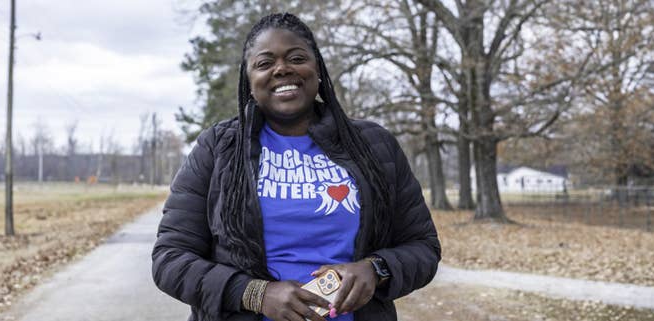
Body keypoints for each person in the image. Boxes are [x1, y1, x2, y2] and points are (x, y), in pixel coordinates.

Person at [152, 12, 440, 321]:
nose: (282, 69)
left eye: (296, 58)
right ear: (249, 81)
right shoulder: (218, 148)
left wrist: (376, 269)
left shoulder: (374, 145)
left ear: (317, 70)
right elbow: (170, 260)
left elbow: (422, 247)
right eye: (264, 64)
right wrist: (254, 294)